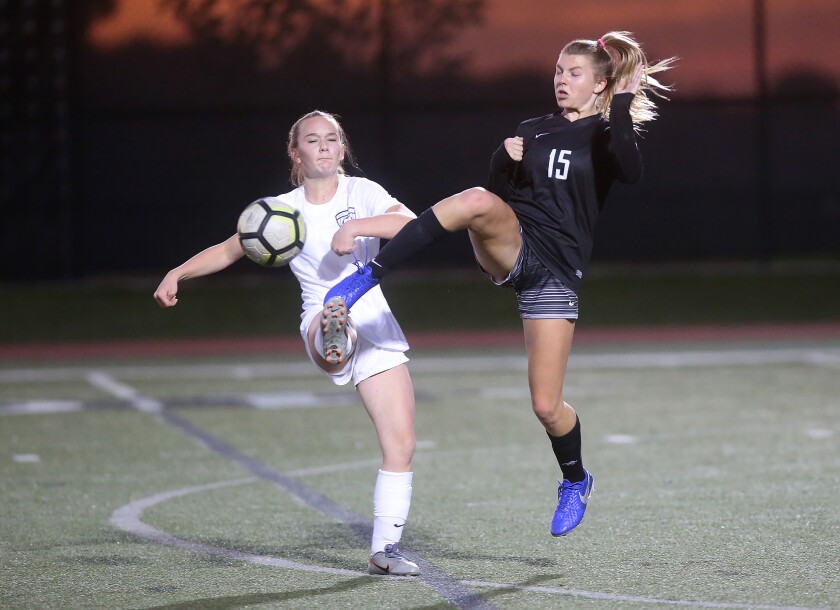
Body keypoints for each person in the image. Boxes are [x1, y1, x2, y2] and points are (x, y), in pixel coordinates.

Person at [322, 32, 675, 537]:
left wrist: (620, 103)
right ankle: (365, 280)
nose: (561, 79)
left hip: (554, 273)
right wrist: (501, 158)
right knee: (474, 202)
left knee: (546, 406)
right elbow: (499, 194)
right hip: (513, 248)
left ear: (599, 84)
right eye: (557, 70)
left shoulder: (604, 132)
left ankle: (576, 480)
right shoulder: (532, 129)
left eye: (574, 73)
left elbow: (632, 170)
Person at [154, 110, 422, 576]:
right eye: (312, 140)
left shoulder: (364, 193)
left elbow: (412, 223)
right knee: (333, 323)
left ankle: (385, 549)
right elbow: (227, 249)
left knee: (401, 443)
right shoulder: (280, 209)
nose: (323, 146)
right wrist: (177, 272)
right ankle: (334, 339)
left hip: (375, 319)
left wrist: (357, 227)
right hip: (322, 310)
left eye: (332, 139)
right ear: (296, 154)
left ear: (342, 149)